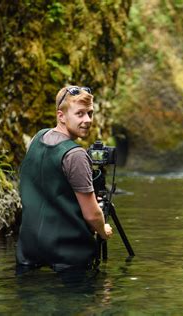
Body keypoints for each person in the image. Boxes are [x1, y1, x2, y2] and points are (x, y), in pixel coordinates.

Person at [16, 85, 113, 271]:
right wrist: (103, 230)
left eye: (90, 113)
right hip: (68, 254)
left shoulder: (37, 138)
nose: (87, 120)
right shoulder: (75, 155)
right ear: (61, 116)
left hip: (28, 249)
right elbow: (92, 214)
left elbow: (47, 188)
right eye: (80, 114)